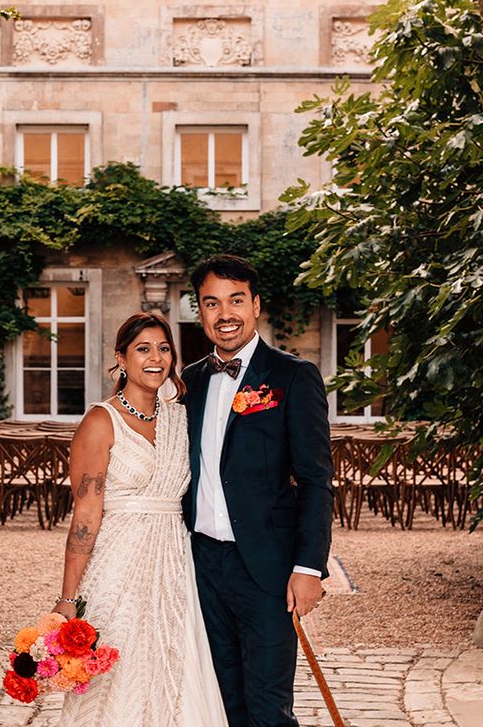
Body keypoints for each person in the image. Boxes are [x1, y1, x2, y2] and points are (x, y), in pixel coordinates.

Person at [54, 313, 228, 727]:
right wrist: (68, 597)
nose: (156, 358)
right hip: (118, 568)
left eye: (164, 348)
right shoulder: (101, 421)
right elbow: (85, 515)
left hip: (175, 566)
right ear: (121, 358)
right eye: (143, 349)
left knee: (175, 668)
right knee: (117, 674)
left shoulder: (181, 418)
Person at [182, 254, 334, 727]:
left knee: (269, 707)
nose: (224, 314)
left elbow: (316, 480)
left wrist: (308, 567)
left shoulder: (292, 376)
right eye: (212, 303)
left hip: (267, 569)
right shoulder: (189, 382)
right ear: (200, 311)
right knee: (221, 702)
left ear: (256, 305)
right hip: (200, 566)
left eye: (236, 300)